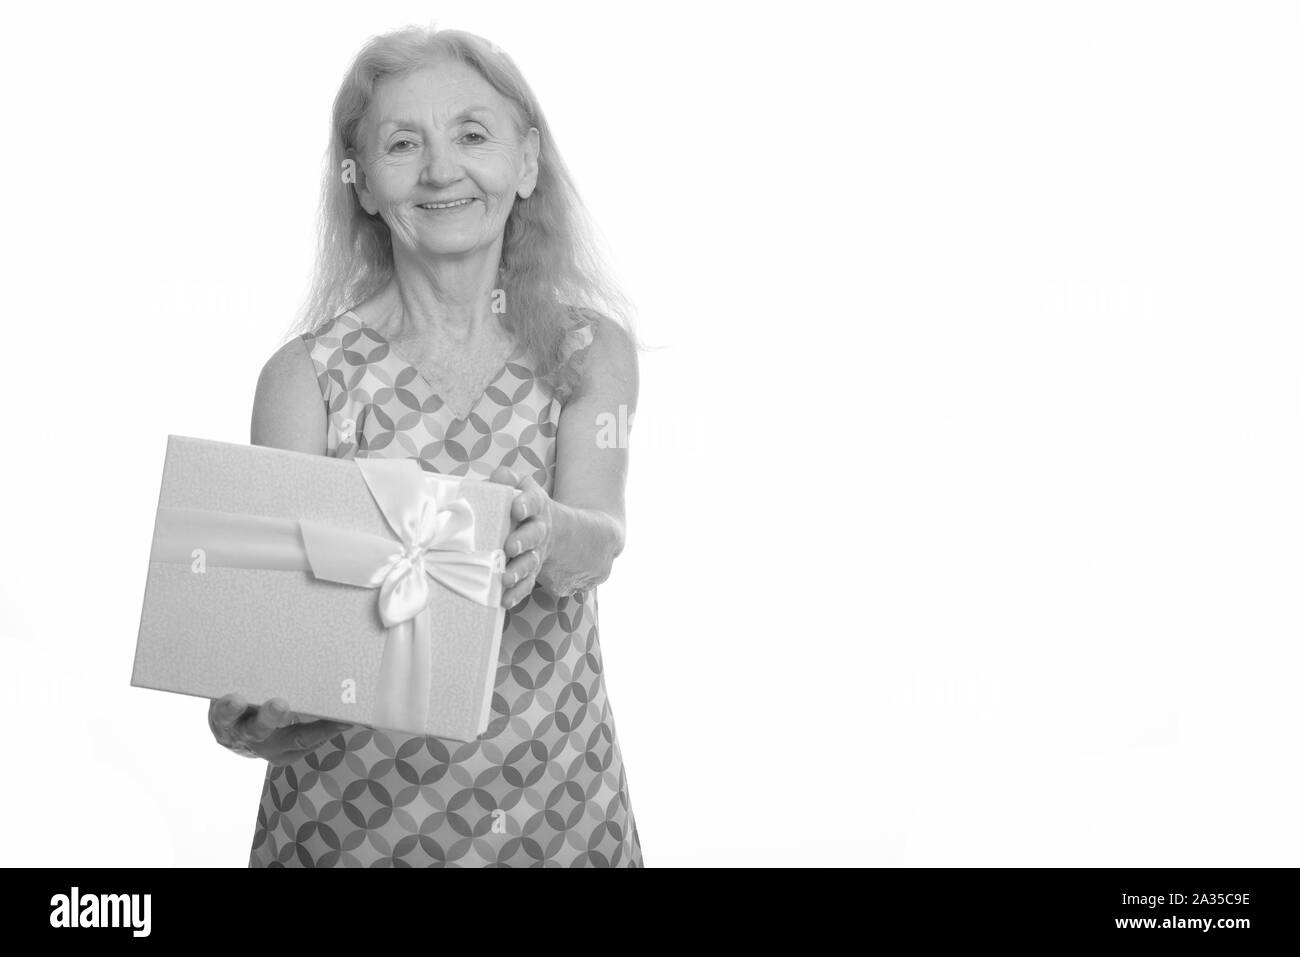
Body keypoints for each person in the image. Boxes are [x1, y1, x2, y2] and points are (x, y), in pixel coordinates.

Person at [206, 25, 645, 867]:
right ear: (361, 182)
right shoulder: (304, 378)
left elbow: (604, 534)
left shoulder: (592, 352)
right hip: (347, 827)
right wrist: (250, 706)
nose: (442, 169)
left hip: (557, 810)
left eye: (472, 134)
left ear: (526, 163)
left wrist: (551, 533)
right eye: (403, 144)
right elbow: (270, 626)